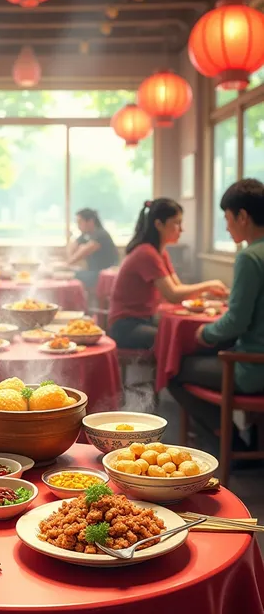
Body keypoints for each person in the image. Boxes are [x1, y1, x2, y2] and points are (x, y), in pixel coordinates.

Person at [168, 178, 264, 441]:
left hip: (252, 368)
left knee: (173, 371)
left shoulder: (250, 256)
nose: (227, 225)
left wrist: (204, 333)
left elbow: (236, 321)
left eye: (227, 217)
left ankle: (229, 441)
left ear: (242, 216)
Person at [108, 198, 228, 350]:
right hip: (126, 326)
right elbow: (173, 295)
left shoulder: (160, 253)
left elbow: (178, 288)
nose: (181, 229)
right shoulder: (146, 253)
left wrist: (207, 295)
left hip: (145, 320)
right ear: (159, 224)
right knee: (178, 340)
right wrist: (208, 285)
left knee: (186, 335)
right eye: (177, 223)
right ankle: (175, 374)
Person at [68, 208, 119, 287]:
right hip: (94, 273)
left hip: (104, 275)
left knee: (69, 275)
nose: (78, 226)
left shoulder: (101, 234)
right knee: (70, 272)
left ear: (90, 221)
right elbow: (72, 252)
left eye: (80, 222)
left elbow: (83, 252)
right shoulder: (86, 235)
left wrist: (66, 264)